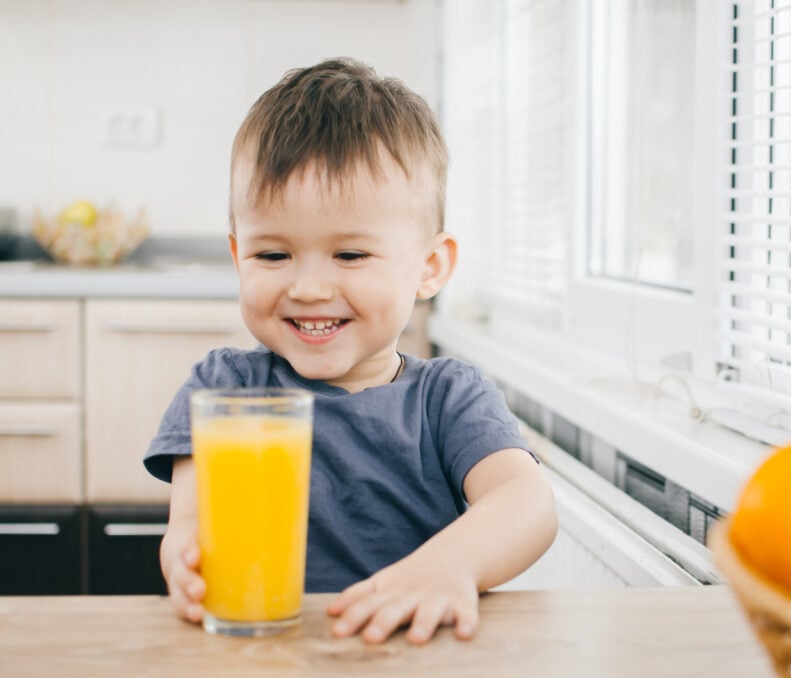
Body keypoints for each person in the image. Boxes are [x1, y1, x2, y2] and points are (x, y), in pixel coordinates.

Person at [143, 57, 558, 645]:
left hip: (405, 652)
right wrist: (184, 557)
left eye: (351, 256)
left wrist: (451, 566)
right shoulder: (224, 389)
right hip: (259, 650)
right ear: (238, 257)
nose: (308, 288)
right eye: (272, 255)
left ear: (429, 267)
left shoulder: (447, 399)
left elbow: (527, 501)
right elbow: (190, 522)